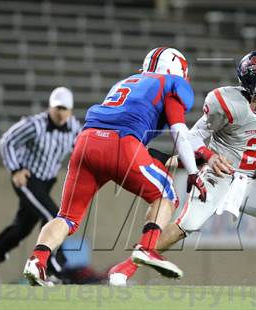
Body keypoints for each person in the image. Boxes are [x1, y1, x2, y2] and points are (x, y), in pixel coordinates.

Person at [109, 50, 256, 288]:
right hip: (218, 175)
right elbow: (191, 138)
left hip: (249, 180)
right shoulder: (227, 103)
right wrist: (209, 157)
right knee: (187, 225)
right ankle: (124, 268)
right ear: (252, 79)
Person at [22, 47, 207, 286]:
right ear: (177, 71)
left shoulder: (127, 82)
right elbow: (179, 131)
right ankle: (147, 248)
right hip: (121, 144)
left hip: (86, 142)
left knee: (67, 217)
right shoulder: (172, 83)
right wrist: (193, 172)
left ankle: (37, 261)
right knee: (166, 195)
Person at [0, 87, 81, 283]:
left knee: (22, 228)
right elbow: (7, 141)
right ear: (50, 107)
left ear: (71, 111)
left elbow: (82, 149)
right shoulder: (35, 124)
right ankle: (54, 266)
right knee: (54, 216)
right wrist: (15, 169)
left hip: (47, 182)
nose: (61, 113)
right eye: (57, 108)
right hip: (28, 178)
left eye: (65, 109)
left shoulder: (74, 128)